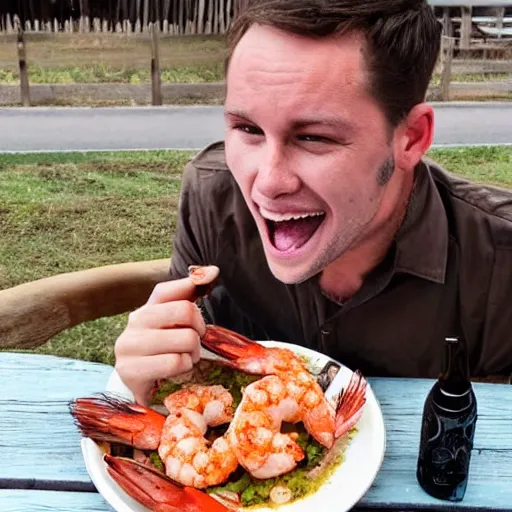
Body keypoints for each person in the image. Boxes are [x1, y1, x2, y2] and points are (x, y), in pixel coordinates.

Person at [115, 0, 512, 405]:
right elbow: (184, 375)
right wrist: (153, 372)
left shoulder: (499, 263)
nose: (267, 183)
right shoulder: (212, 199)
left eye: (314, 137)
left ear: (409, 138)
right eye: (248, 128)